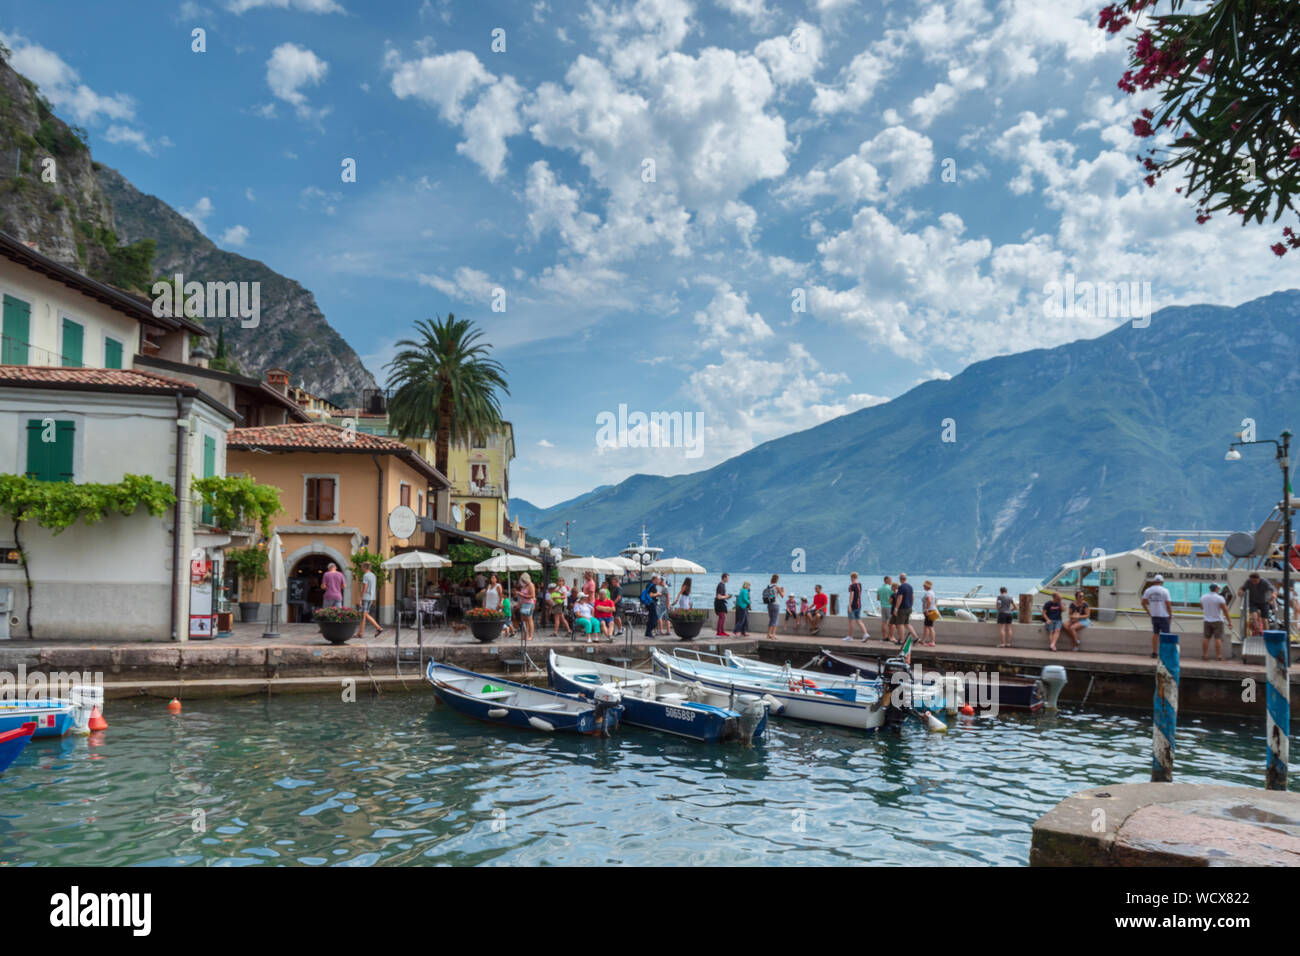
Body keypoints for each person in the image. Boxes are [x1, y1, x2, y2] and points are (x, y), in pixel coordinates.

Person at [1140, 574, 1173, 657]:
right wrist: (1170, 615)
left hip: (1154, 615)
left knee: (1155, 633)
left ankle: (1154, 653)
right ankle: (1165, 653)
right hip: (1164, 615)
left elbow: (1143, 603)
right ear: (1162, 582)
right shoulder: (1165, 590)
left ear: (1154, 581)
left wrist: (1148, 612)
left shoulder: (1148, 590)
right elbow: (1168, 604)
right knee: (1166, 634)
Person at [1200, 582, 1229, 661]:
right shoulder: (1220, 598)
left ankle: (1205, 655)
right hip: (1218, 620)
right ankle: (1218, 656)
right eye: (1219, 588)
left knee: (1206, 638)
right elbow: (1225, 610)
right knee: (1218, 638)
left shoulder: (1203, 597)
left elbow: (1201, 607)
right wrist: (1230, 622)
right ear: (1216, 589)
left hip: (1207, 620)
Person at [356, 561, 383, 638]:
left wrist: (360, 598)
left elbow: (365, 587)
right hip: (371, 597)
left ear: (364, 567)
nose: (361, 568)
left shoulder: (366, 575)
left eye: (362, 567)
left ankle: (377, 628)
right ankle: (362, 632)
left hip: (366, 597)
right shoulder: (373, 575)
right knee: (364, 614)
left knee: (364, 615)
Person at [894, 573, 916, 643]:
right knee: (907, 623)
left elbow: (900, 598)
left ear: (900, 579)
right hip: (908, 608)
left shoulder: (901, 587)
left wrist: (896, 608)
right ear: (905, 579)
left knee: (900, 624)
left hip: (902, 608)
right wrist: (911, 605)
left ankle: (901, 640)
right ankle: (916, 637)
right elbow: (912, 597)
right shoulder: (910, 586)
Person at [763, 574, 784, 640]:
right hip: (776, 604)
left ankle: (768, 634)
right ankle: (773, 635)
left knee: (771, 620)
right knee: (775, 620)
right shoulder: (777, 587)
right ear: (777, 579)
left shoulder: (768, 586)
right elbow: (782, 595)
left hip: (769, 604)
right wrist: (783, 590)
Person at [644, 575, 665, 639]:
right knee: (654, 618)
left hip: (649, 603)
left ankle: (648, 632)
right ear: (655, 579)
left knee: (651, 617)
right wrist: (658, 594)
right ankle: (648, 632)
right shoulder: (652, 585)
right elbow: (650, 595)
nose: (660, 581)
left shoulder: (649, 584)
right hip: (651, 603)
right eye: (659, 580)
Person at [846, 572, 866, 640]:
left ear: (852, 577)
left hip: (853, 606)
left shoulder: (852, 586)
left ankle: (850, 636)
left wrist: (849, 605)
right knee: (859, 620)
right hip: (859, 605)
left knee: (851, 622)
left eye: (851, 578)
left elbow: (851, 596)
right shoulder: (859, 585)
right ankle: (865, 634)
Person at [518, 573, 536, 641]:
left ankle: (530, 636)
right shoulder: (524, 586)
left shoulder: (531, 585)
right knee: (524, 620)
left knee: (529, 619)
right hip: (523, 603)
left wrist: (522, 595)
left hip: (529, 604)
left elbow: (532, 596)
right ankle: (524, 636)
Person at [920, 580, 938, 646]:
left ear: (926, 586)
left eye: (924, 586)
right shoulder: (932, 592)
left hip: (929, 611)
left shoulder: (928, 593)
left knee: (930, 626)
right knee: (926, 626)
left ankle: (932, 641)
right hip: (932, 610)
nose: (923, 587)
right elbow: (934, 601)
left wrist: (927, 609)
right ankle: (923, 640)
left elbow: (929, 601)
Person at [877, 576, 895, 642]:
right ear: (886, 580)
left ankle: (884, 636)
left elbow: (878, 598)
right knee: (892, 623)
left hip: (883, 606)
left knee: (884, 622)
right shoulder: (891, 588)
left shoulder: (880, 589)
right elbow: (894, 598)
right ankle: (891, 637)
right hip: (890, 607)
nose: (891, 581)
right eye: (890, 580)